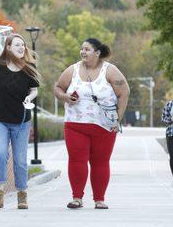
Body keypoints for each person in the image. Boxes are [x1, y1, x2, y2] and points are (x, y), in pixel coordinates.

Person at [54, 37, 130, 209]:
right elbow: (58, 87)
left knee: (100, 162)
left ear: (97, 52)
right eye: (82, 49)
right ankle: (77, 198)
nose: (83, 52)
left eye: (87, 49)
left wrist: (117, 118)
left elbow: (124, 93)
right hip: (75, 124)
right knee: (76, 160)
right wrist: (65, 96)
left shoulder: (110, 71)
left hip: (104, 126)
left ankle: (99, 199)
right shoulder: (72, 70)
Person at [0, 33, 39, 209]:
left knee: (20, 160)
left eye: (23, 45)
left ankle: (22, 193)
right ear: (8, 48)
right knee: (0, 153)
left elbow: (34, 90)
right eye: (17, 45)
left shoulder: (29, 67)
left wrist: (30, 97)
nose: (22, 48)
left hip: (21, 122)